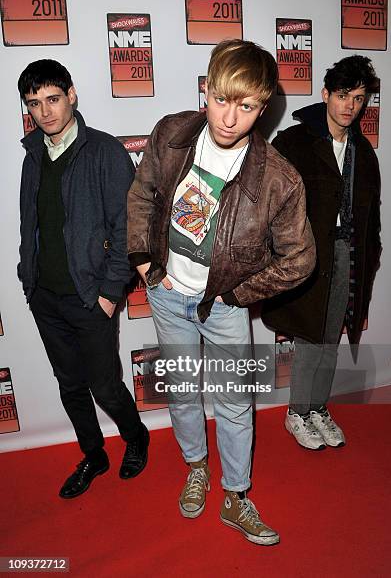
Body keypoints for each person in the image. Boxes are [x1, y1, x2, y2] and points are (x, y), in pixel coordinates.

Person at [127, 39, 315, 545]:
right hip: (168, 296)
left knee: (234, 402)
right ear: (206, 88)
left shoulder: (279, 179)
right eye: (222, 99)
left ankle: (235, 496)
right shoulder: (171, 134)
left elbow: (300, 257)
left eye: (248, 105)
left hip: (223, 305)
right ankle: (195, 468)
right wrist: (146, 262)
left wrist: (240, 292)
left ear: (264, 106)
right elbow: (142, 194)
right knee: (184, 393)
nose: (230, 118)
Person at [17, 59, 149, 499]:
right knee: (70, 386)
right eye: (34, 104)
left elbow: (127, 227)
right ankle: (94, 455)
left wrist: (111, 293)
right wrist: (27, 279)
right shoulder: (33, 155)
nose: (45, 112)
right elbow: (28, 223)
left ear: (71, 95)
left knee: (105, 385)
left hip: (91, 297)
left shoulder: (105, 151)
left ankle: (136, 437)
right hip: (46, 298)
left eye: (53, 99)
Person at [262, 55, 381, 450]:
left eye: (359, 98)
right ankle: (297, 412)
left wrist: (371, 258)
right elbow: (268, 207)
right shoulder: (293, 143)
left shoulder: (364, 153)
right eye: (343, 95)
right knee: (310, 338)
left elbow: (372, 219)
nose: (350, 105)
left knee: (332, 337)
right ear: (326, 94)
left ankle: (318, 407)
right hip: (309, 258)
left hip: (348, 256)